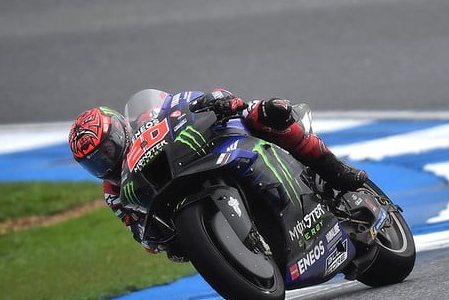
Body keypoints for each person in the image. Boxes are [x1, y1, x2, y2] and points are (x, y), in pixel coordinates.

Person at [68, 89, 367, 259]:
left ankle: (334, 169)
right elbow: (141, 236)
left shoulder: (146, 119)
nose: (106, 161)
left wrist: (216, 101)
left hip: (208, 149)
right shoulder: (115, 190)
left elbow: (182, 102)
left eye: (108, 149)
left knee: (262, 113)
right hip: (178, 197)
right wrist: (160, 238)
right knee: (175, 250)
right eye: (96, 162)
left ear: (120, 129)